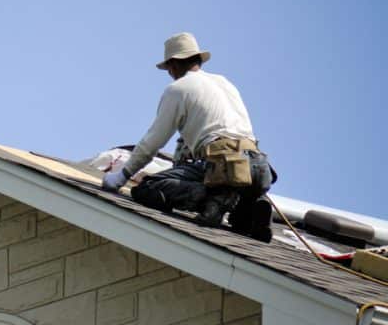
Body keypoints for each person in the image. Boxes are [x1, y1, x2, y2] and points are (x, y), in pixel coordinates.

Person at [101, 32, 275, 242]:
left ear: (173, 65)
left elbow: (153, 142)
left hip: (223, 166)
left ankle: (211, 199)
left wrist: (122, 176)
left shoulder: (179, 89)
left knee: (148, 189)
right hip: (257, 168)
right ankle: (248, 207)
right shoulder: (224, 83)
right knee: (240, 223)